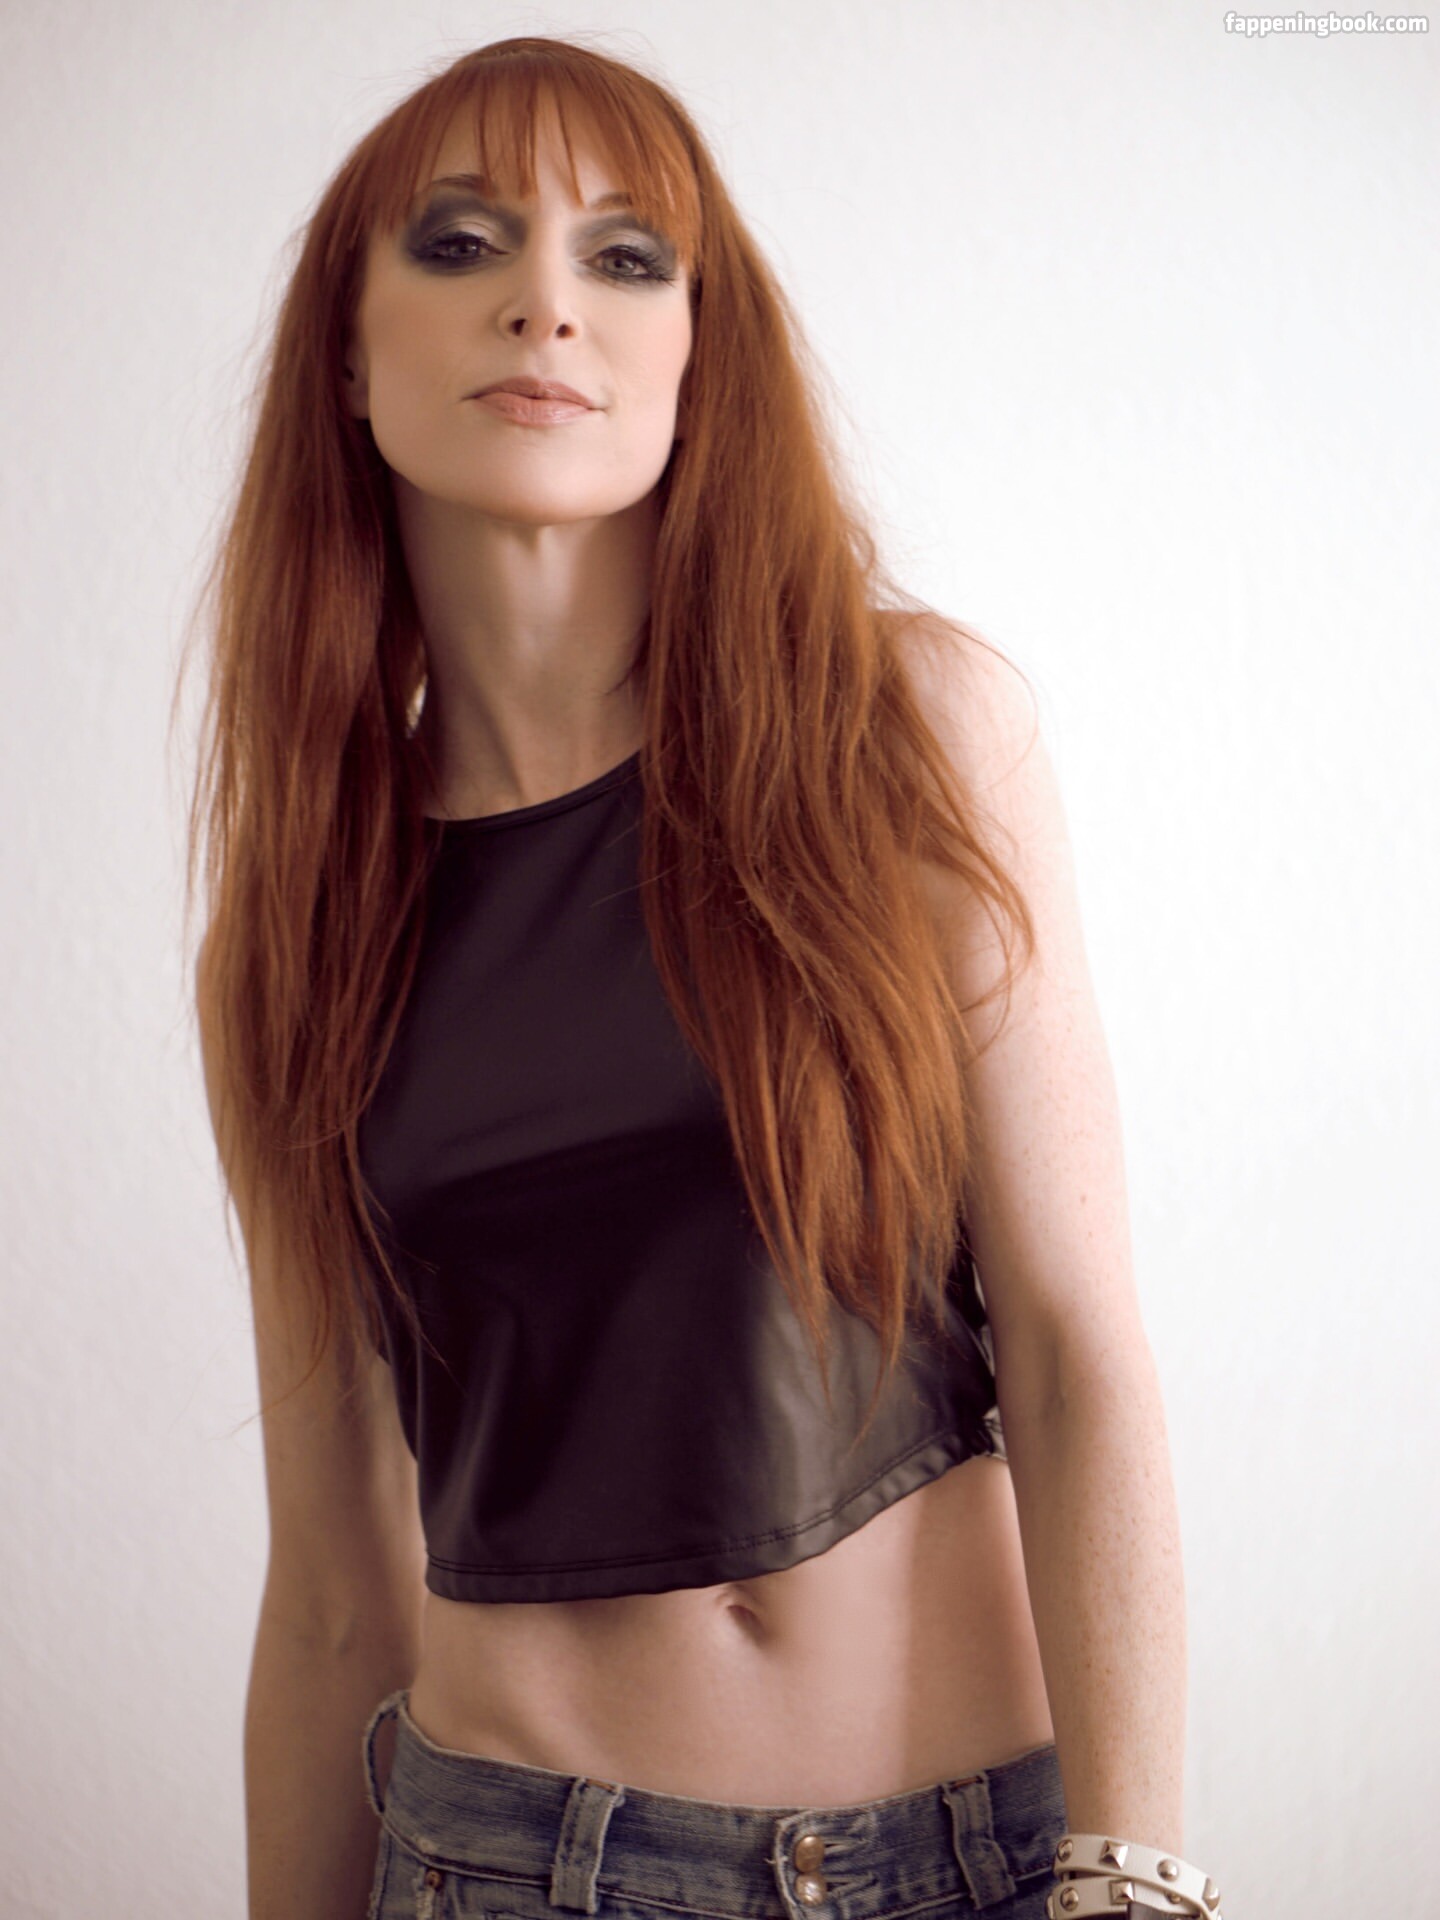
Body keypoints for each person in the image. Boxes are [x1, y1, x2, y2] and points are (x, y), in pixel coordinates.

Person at [182, 34, 1219, 1920]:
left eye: (624, 257)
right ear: (347, 351)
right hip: (511, 1864)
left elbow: (1077, 1350)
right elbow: (334, 1591)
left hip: (983, 1860)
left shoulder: (909, 733)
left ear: (693, 348)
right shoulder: (300, 923)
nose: (545, 304)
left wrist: (1134, 1874)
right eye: (462, 242)